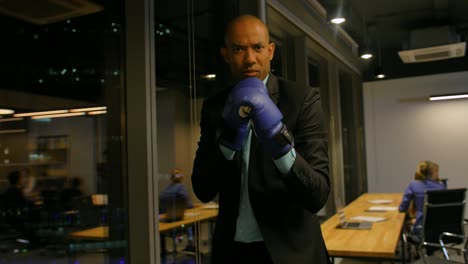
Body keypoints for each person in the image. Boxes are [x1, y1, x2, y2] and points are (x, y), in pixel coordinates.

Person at [191, 14, 330, 264]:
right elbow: (202, 189)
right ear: (225, 54)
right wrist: (227, 143)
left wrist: (278, 140)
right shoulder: (215, 108)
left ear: (271, 51)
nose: (249, 59)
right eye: (238, 49)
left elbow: (317, 194)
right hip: (233, 253)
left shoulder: (302, 100)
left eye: (257, 48)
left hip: (291, 252)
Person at [398, 161, 446, 250]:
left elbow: (403, 208)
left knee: (407, 223)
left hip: (420, 230)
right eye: (437, 172)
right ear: (432, 173)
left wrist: (412, 219)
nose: (438, 174)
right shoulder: (441, 187)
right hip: (440, 230)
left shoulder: (413, 185)